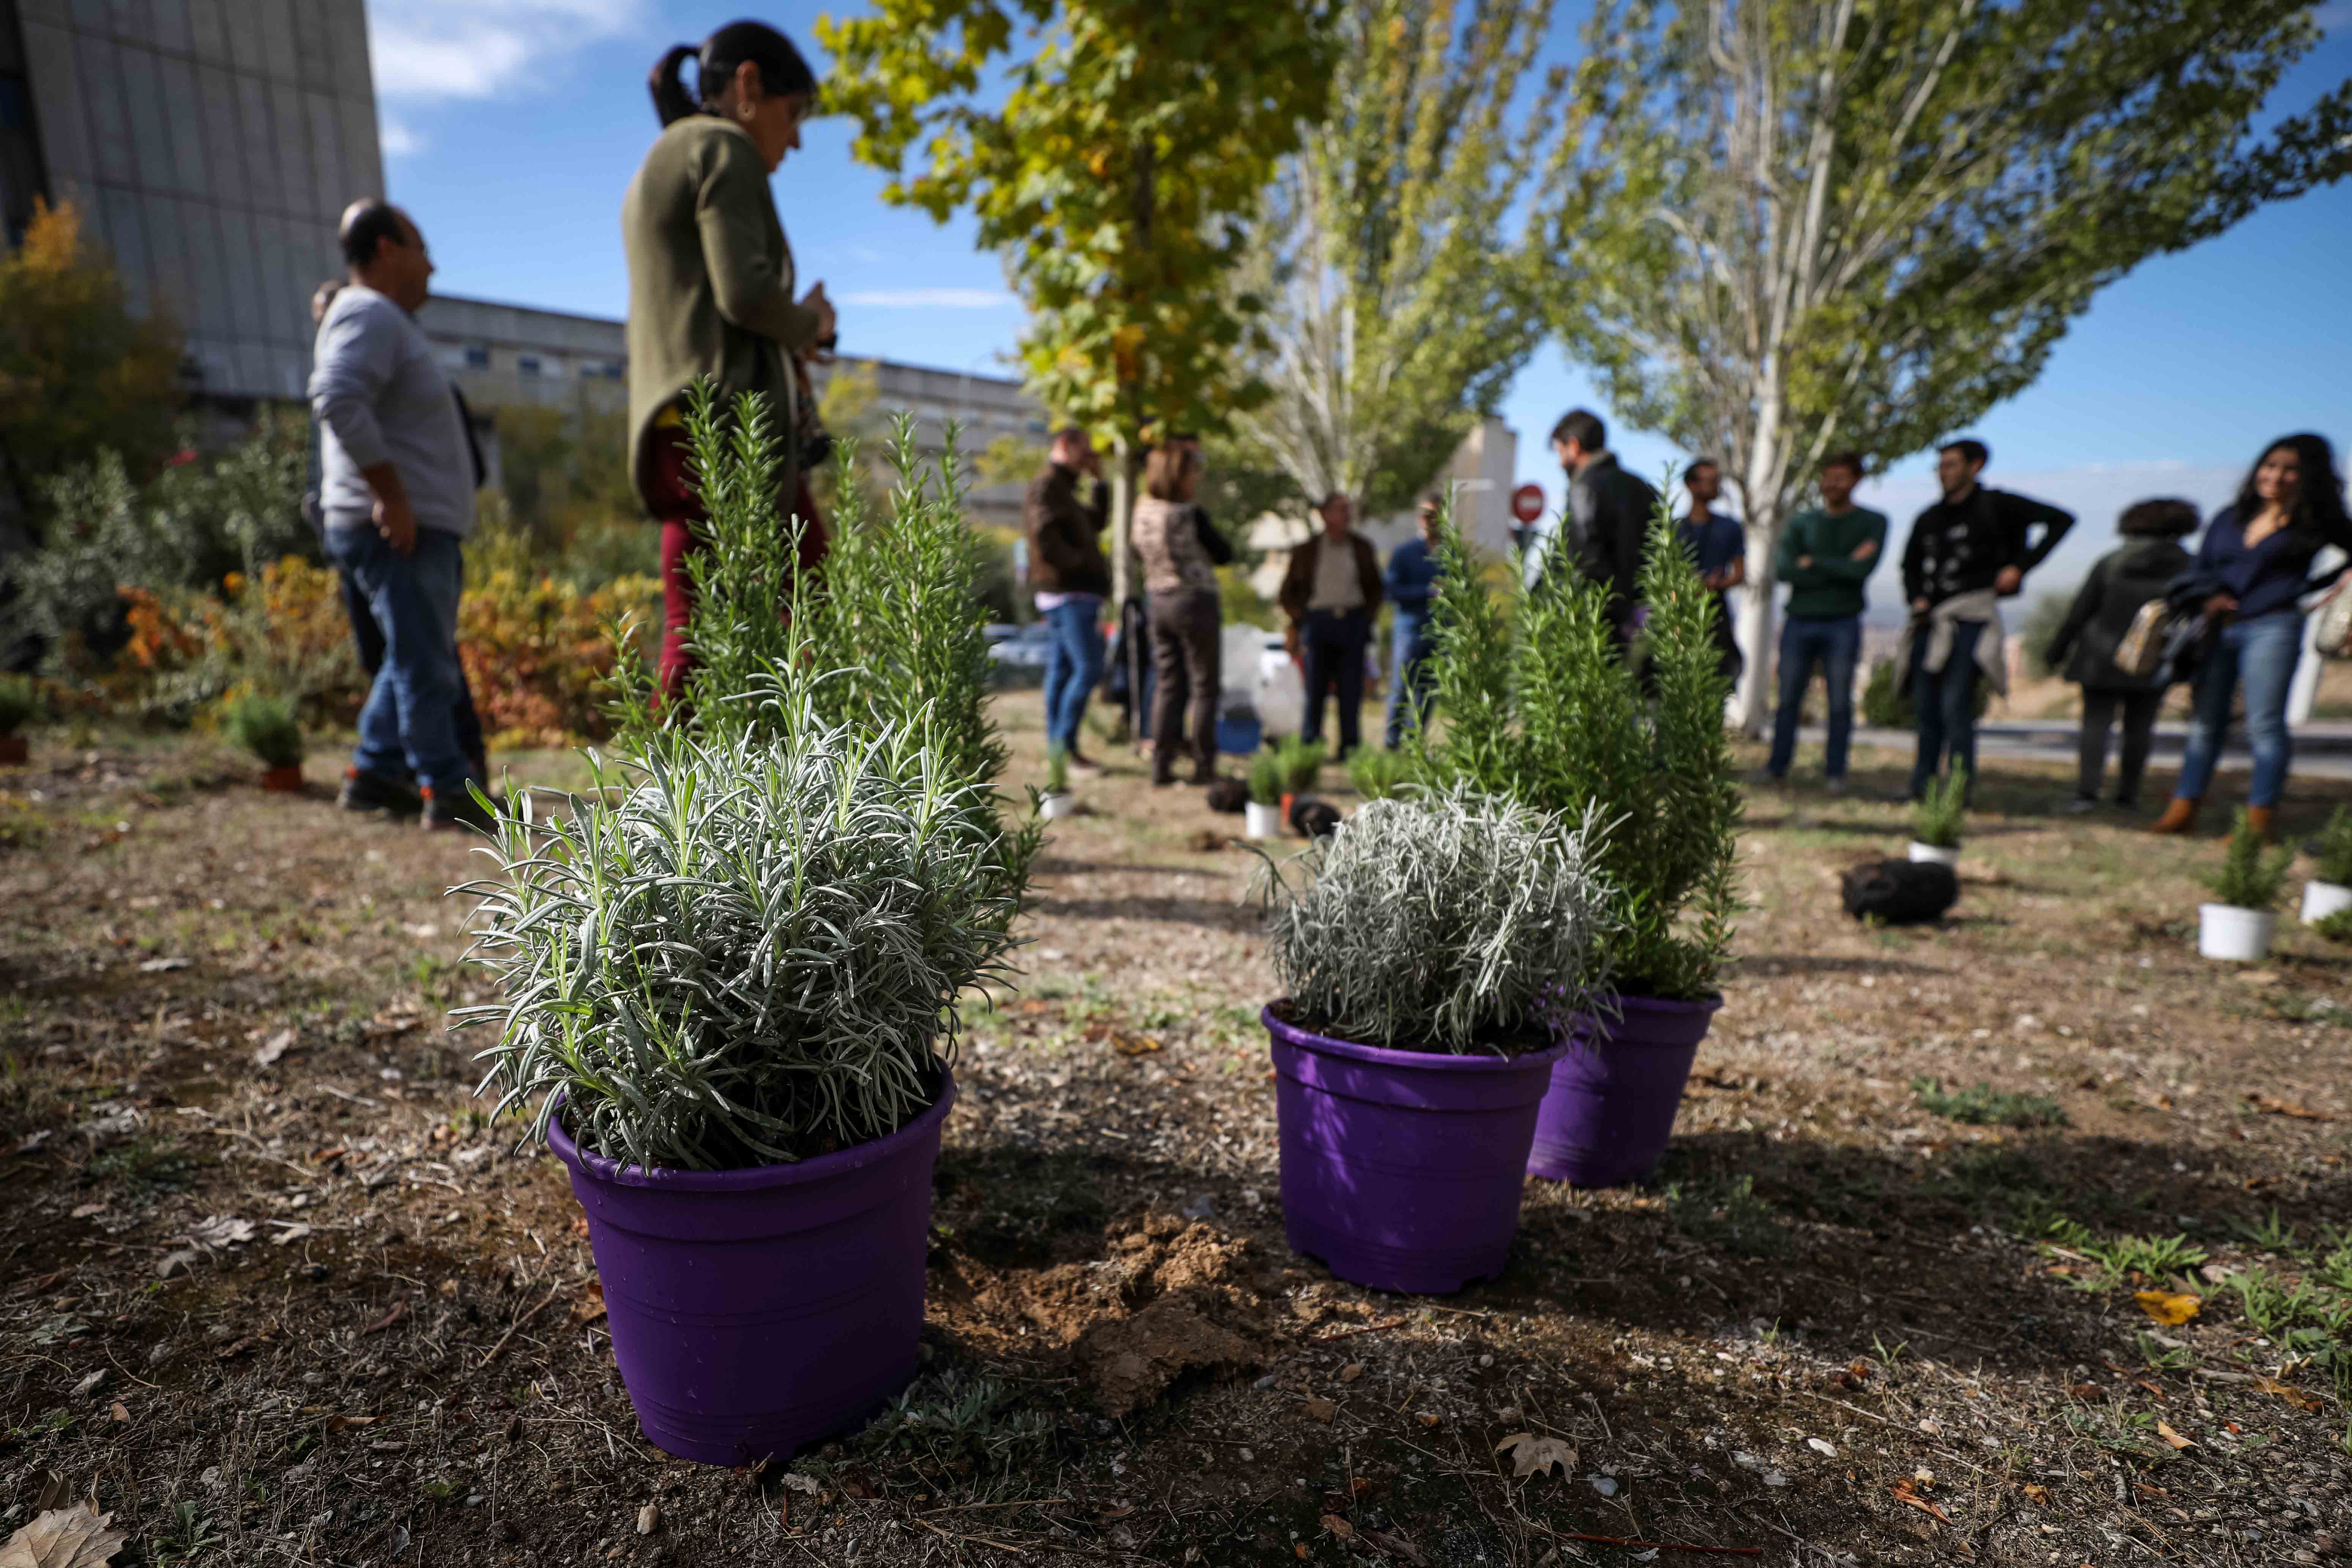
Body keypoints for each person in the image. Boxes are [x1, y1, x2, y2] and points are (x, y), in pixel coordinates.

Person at [625, 21, 836, 706]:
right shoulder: (722, 146)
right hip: (725, 429)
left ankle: (702, 797)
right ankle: (696, 800)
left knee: (707, 625)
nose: (796, 139)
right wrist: (810, 324)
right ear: (749, 87)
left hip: (682, 422)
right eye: (793, 113)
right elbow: (745, 293)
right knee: (803, 607)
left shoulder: (669, 154)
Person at [310, 201, 489, 832]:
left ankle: (374, 772)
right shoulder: (367, 311)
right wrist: (392, 495)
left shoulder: (380, 318)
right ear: (387, 249)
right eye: (420, 246)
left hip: (408, 525)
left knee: (411, 655)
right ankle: (446, 788)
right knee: (422, 663)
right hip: (395, 527)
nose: (432, 263)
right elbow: (336, 397)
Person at [2154, 435, 2352, 840]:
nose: (2277, 476)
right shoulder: (2230, 516)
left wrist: (2324, 588)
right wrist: (2208, 595)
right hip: (2218, 628)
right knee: (2205, 723)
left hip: (2274, 625)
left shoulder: (2317, 521)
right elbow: (2201, 567)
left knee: (2264, 725)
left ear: (2307, 475)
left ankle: (2258, 822)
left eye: (2290, 468)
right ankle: (2182, 809)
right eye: (2271, 465)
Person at [1896, 438, 2075, 800]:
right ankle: (1922, 787)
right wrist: (1916, 596)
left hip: (1972, 617)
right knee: (1926, 708)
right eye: (1940, 466)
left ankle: (1959, 792)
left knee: (1955, 705)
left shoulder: (1998, 506)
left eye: (1951, 464)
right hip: (1931, 620)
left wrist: (2020, 567)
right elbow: (1909, 565)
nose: (1943, 473)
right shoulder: (1930, 517)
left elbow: (2061, 520)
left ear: (1974, 466)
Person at [2043, 498, 2198, 814]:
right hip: (2154, 659)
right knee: (2140, 728)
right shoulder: (2189, 565)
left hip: (2100, 656)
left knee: (2095, 725)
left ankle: (2086, 793)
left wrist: (2057, 649)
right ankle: (2128, 796)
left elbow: (2081, 609)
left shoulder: (2113, 561)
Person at [1766, 451, 1885, 790]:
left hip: (1843, 621)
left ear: (1856, 480)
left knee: (1839, 702)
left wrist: (1811, 563)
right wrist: (1840, 565)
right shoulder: (1802, 522)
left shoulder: (1873, 521)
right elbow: (1784, 570)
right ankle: (1777, 765)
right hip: (1798, 621)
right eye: (1827, 476)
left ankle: (1835, 772)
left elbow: (1861, 570)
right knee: (1787, 698)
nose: (1831, 484)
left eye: (1840, 477)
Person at [1131, 443, 1223, 785]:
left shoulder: (1142, 511)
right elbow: (1224, 552)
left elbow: (1134, 552)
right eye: (1192, 471)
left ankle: (1161, 767)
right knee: (1204, 686)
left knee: (1168, 686)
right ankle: (1203, 767)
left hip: (1157, 600)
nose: (1196, 477)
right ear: (1176, 474)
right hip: (1195, 600)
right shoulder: (1189, 513)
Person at [1026, 426, 1111, 771]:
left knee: (1062, 671)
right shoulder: (1048, 485)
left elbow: (1097, 523)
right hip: (1068, 593)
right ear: (1064, 446)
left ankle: (1061, 750)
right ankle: (1063, 746)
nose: (1088, 456)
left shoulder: (1064, 489)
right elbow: (1044, 535)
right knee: (1088, 668)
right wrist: (1080, 567)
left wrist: (1098, 484)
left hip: (1073, 593)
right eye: (1084, 450)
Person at [1537, 409, 1661, 647]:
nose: (1559, 463)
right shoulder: (1642, 488)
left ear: (1574, 447)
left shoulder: (1585, 489)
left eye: (1560, 452)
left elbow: (1581, 561)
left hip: (1598, 630)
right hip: (1641, 627)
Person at [1278, 492, 1383, 759]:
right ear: (1324, 515)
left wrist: (1366, 618)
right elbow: (1287, 592)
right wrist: (1299, 619)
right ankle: (1311, 746)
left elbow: (1376, 589)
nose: (1346, 515)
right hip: (1317, 624)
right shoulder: (1307, 551)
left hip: (1352, 622)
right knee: (1315, 690)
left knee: (1351, 691)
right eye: (1339, 510)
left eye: (1348, 510)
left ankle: (1350, 748)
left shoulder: (1361, 547)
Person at [1383, 495, 1445, 749]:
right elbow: (1392, 592)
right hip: (1409, 630)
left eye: (1435, 515)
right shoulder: (1404, 553)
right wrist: (1428, 592)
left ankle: (1414, 744)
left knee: (1428, 692)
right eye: (1426, 515)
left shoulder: (1450, 555)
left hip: (1439, 633)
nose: (1429, 520)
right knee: (1401, 688)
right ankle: (1391, 743)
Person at [1676, 458, 1746, 681]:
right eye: (1711, 481)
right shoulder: (1673, 529)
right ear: (1692, 485)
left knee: (1719, 678)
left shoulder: (1730, 527)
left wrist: (1716, 584)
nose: (1717, 486)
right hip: (1681, 616)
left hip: (1718, 616)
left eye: (1717, 480)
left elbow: (1739, 574)